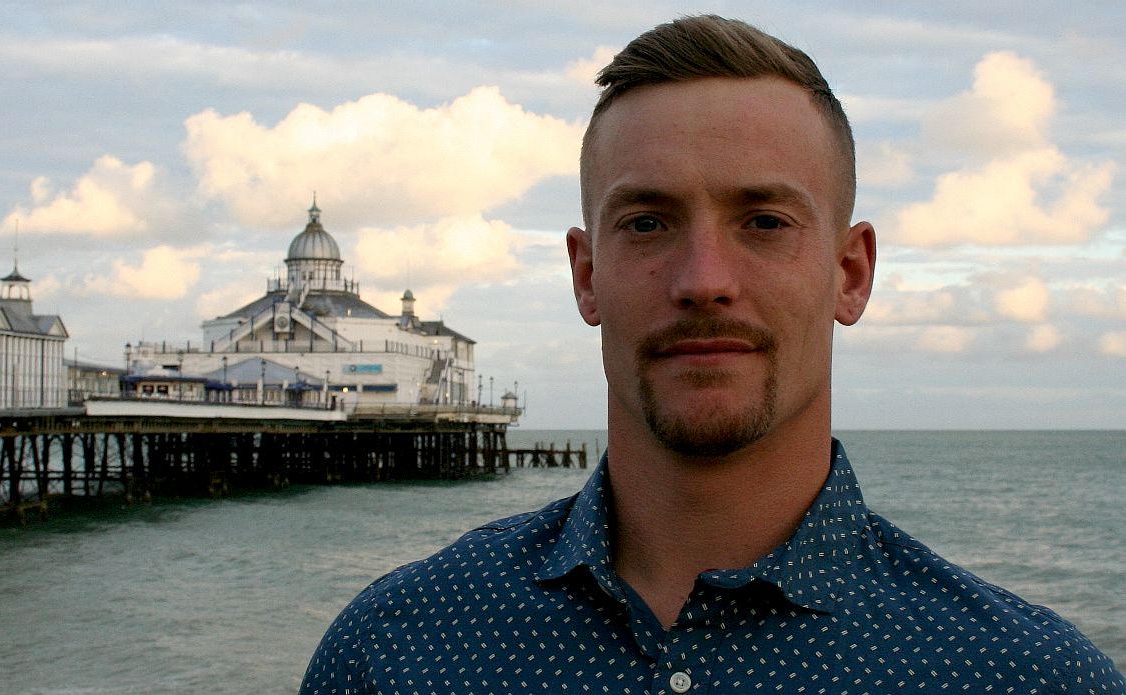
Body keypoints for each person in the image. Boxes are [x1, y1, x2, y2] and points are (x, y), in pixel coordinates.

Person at [301, 15, 1125, 694]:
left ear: (850, 273)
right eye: (648, 223)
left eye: (763, 222)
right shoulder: (396, 651)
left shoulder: (1024, 675)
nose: (702, 281)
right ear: (587, 277)